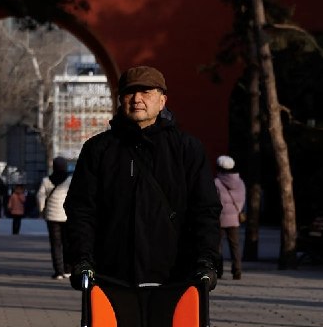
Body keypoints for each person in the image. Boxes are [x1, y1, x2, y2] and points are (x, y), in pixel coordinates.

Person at [65, 66, 221, 290]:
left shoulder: (187, 149)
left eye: (146, 92)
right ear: (120, 100)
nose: (137, 99)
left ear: (162, 100)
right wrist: (82, 259)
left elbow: (206, 209)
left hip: (176, 275)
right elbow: (81, 209)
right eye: (130, 93)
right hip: (111, 275)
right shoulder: (98, 149)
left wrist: (207, 260)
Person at [38, 157, 73, 279]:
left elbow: (40, 197)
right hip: (67, 216)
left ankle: (58, 271)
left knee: (55, 244)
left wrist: (41, 210)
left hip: (52, 217)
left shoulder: (46, 181)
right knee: (68, 243)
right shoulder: (70, 180)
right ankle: (68, 270)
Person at [214, 155, 246, 280]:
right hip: (235, 219)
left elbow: (214, 201)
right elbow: (242, 200)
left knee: (218, 246)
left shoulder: (216, 182)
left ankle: (219, 270)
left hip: (220, 219)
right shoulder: (240, 182)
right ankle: (237, 271)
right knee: (235, 246)